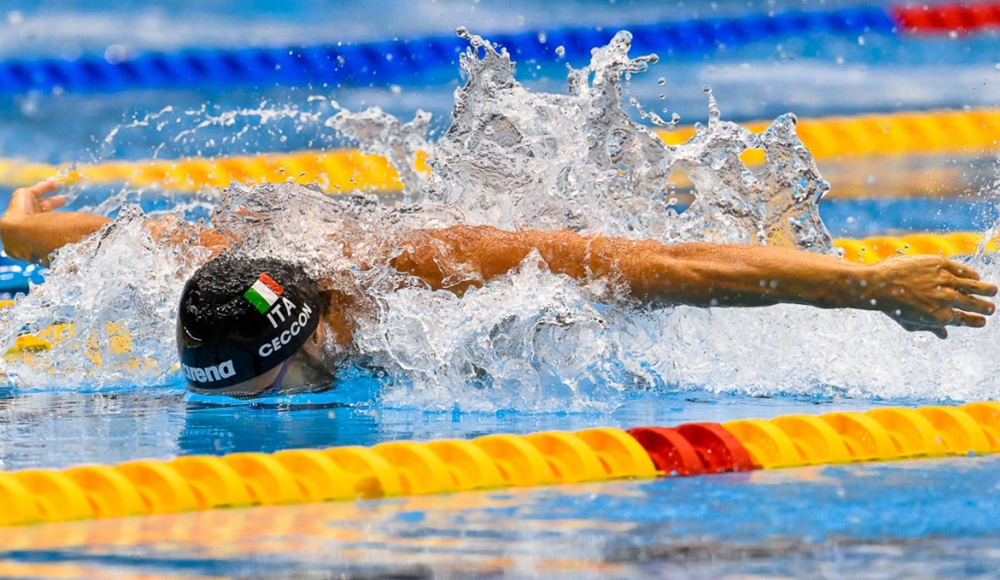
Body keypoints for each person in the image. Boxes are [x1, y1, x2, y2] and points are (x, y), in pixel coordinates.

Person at [1, 180, 996, 397]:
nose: (270, 412)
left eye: (268, 389)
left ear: (314, 340)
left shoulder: (434, 271)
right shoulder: (207, 275)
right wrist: (19, 219)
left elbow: (679, 271)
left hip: (513, 251)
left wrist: (869, 285)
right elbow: (99, 242)